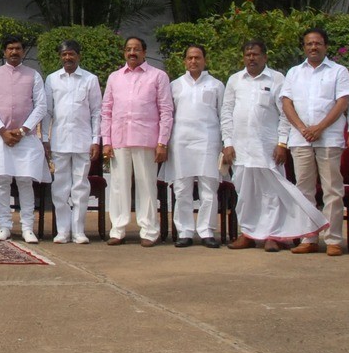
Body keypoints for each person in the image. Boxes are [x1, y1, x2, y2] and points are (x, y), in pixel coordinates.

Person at [224, 40, 327, 252]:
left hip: (268, 146)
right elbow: (226, 113)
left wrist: (282, 143)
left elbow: (284, 115)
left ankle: (273, 235)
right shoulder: (235, 80)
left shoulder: (277, 78)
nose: (251, 58)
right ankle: (248, 233)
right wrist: (227, 143)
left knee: (271, 193)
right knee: (245, 193)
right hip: (241, 147)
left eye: (255, 54)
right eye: (247, 54)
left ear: (265, 57)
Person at [281, 28, 349, 256]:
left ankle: (333, 239)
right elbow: (286, 103)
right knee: (304, 190)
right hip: (300, 139)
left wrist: (320, 127)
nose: (313, 47)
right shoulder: (294, 72)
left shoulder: (338, 71)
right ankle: (308, 237)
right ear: (304, 47)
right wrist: (303, 128)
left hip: (328, 137)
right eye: (309, 44)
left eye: (318, 43)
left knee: (332, 189)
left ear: (326, 46)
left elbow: (342, 102)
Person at [100, 36, 173, 247]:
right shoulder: (115, 77)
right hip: (119, 138)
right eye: (129, 49)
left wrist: (162, 142)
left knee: (146, 186)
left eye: (137, 49)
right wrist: (107, 140)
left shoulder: (158, 76)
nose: (132, 53)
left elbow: (166, 110)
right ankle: (118, 229)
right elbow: (107, 110)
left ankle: (149, 231)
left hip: (146, 139)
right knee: (118, 185)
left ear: (144, 52)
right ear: (124, 52)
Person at [0, 35, 49, 243]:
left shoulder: (33, 75)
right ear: (4, 52)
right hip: (0, 137)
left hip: (26, 138)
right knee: (2, 181)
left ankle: (27, 227)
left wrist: (22, 130)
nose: (14, 52)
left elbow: (41, 106)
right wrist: (3, 131)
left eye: (18, 49)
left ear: (23, 51)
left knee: (25, 181)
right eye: (10, 49)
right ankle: (4, 226)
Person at [165, 44, 226, 248]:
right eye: (190, 58)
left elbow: (223, 116)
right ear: (184, 61)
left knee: (209, 188)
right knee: (182, 188)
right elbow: (168, 115)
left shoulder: (216, 85)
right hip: (181, 141)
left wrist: (226, 143)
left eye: (197, 58)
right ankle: (185, 231)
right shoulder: (175, 85)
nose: (193, 61)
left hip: (208, 141)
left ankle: (207, 231)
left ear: (205, 60)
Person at [42, 40, 101, 245]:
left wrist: (96, 140)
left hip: (83, 142)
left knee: (80, 187)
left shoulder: (90, 80)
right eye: (65, 54)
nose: (68, 58)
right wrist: (45, 139)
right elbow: (48, 112)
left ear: (79, 56)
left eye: (72, 54)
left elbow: (96, 112)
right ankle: (63, 231)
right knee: (60, 188)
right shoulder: (52, 79)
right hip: (59, 141)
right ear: (61, 56)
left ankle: (79, 231)